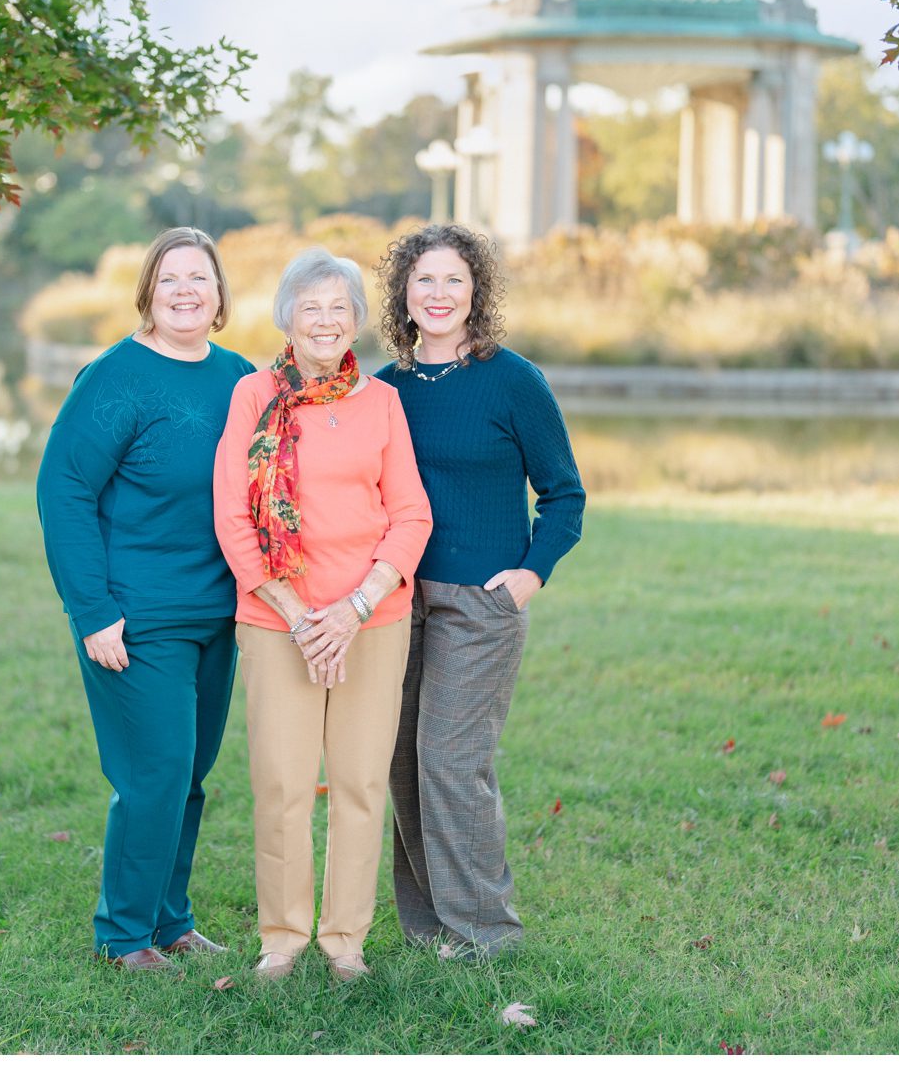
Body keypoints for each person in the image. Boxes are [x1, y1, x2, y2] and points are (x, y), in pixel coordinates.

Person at [213, 251, 431, 982]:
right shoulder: (252, 397)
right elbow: (233, 516)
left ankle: (345, 941)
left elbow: (410, 516)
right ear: (287, 317)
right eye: (312, 306)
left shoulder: (383, 404)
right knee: (281, 783)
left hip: (371, 619)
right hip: (280, 621)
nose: (326, 320)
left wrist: (352, 608)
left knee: (362, 783)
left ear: (357, 322)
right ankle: (282, 937)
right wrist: (304, 616)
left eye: (340, 307)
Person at [34, 230, 250, 970]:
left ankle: (170, 920)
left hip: (218, 614)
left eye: (200, 277)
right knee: (153, 773)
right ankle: (123, 935)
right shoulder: (114, 378)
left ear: (220, 294)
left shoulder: (241, 378)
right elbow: (63, 490)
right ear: (147, 294)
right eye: (170, 279)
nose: (186, 290)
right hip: (135, 615)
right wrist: (90, 610)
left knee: (189, 774)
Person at [375, 223, 584, 955]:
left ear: (476, 293)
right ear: (403, 293)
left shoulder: (512, 379)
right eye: (423, 280)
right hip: (397, 601)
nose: (438, 294)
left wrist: (528, 576)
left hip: (479, 603)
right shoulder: (385, 390)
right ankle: (431, 925)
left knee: (453, 764)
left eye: (453, 280)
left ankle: (486, 933)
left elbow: (564, 495)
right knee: (401, 761)